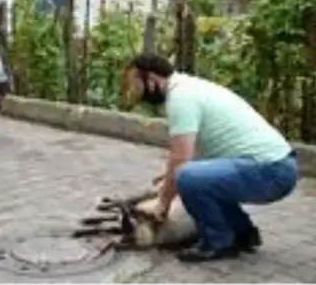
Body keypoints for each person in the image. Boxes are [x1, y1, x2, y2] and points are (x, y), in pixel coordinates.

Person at [123, 53, 297, 263]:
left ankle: (218, 243)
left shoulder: (180, 98)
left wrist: (163, 203)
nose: (135, 92)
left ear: (151, 79)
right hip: (277, 166)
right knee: (195, 178)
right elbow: (193, 151)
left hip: (270, 170)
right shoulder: (189, 86)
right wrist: (166, 180)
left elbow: (181, 158)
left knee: (188, 178)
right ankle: (243, 233)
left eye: (136, 83)